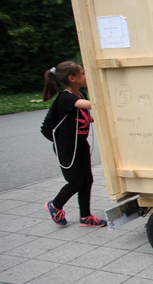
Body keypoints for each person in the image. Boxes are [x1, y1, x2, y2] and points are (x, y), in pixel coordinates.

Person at [40, 62, 106, 228]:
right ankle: (54, 205)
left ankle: (85, 217)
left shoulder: (81, 95)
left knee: (87, 180)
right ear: (72, 78)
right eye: (83, 73)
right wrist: (107, 96)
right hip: (66, 146)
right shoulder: (66, 97)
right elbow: (91, 105)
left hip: (80, 143)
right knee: (76, 182)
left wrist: (99, 119)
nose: (85, 76)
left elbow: (82, 117)